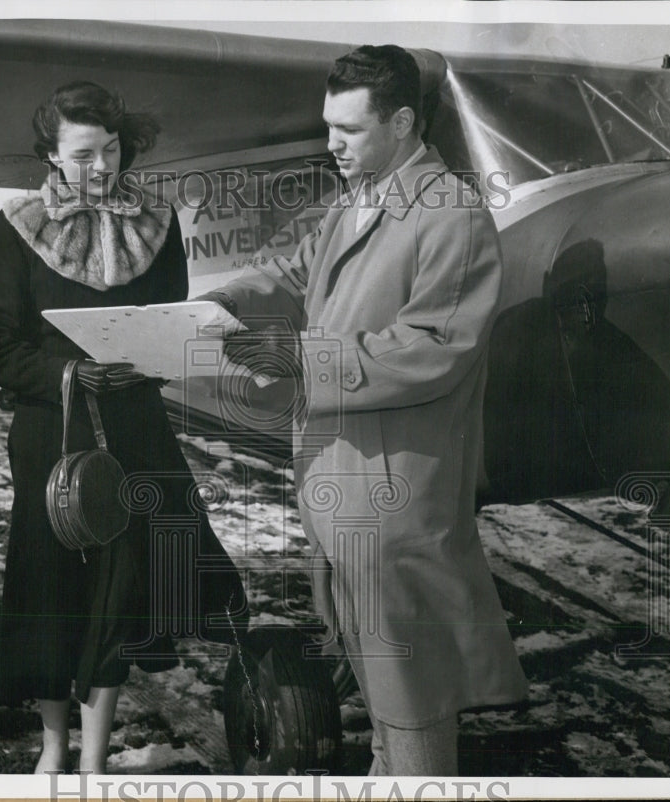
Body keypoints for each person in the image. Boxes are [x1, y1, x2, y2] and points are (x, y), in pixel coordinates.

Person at [202, 46, 528, 775]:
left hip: (393, 501)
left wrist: (302, 360)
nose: (332, 144)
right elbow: (294, 272)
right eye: (329, 126)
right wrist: (222, 300)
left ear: (403, 122)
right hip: (345, 488)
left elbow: (433, 347)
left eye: (348, 129)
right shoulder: (360, 198)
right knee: (382, 691)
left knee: (413, 701)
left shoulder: (451, 216)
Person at [0, 81, 247, 775]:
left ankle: (93, 759)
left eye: (112, 150)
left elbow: (167, 320)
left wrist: (160, 352)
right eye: (84, 154)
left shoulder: (157, 223)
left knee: (120, 590)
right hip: (52, 433)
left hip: (133, 429)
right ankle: (53, 747)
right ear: (51, 156)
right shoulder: (18, 226)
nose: (101, 167)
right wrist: (66, 372)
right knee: (52, 585)